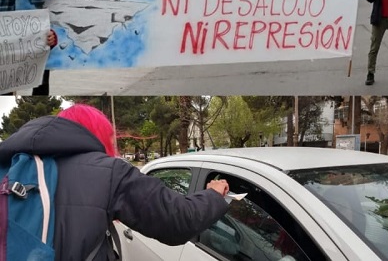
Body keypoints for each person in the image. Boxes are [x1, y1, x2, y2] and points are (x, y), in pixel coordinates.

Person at [0, 104, 230, 259]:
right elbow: (178, 220)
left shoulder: (10, 167)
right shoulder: (108, 172)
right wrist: (213, 194)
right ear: (95, 135)